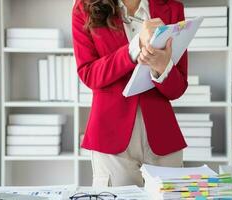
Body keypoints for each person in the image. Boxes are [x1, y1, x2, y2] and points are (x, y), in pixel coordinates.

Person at [72, 0, 188, 187]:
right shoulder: (84, 6)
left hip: (162, 136)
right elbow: (89, 74)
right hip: (111, 138)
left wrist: (162, 67)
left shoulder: (173, 8)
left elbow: (178, 88)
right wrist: (134, 47)